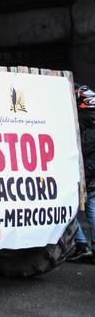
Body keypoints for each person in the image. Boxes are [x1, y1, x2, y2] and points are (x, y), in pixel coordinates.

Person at [68, 85, 95, 262]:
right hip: (89, 170)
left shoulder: (85, 119)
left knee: (68, 207)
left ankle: (83, 246)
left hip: (87, 170)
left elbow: (80, 148)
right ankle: (83, 245)